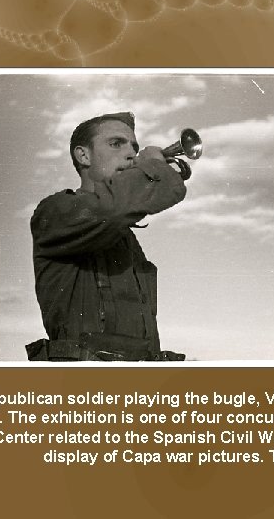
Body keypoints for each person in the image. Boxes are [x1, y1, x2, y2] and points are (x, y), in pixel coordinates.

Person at [25, 112, 188, 361]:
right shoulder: (55, 210)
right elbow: (111, 209)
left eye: (134, 146)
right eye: (116, 144)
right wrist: (154, 165)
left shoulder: (124, 235)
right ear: (84, 156)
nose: (131, 153)